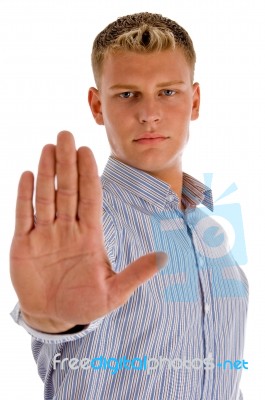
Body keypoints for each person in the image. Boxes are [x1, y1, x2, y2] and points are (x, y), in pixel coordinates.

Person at [10, 12, 248, 399]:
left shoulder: (214, 234)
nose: (149, 113)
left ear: (195, 100)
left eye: (168, 92)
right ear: (97, 106)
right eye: (127, 94)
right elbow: (56, 312)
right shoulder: (95, 224)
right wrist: (51, 321)